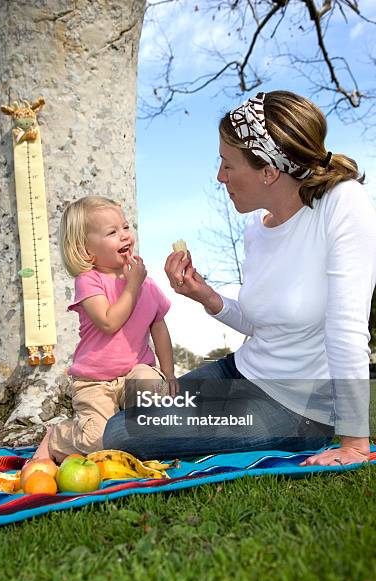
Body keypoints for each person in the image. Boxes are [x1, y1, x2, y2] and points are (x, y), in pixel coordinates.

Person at [103, 91, 376, 466]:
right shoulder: (255, 228)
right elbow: (258, 322)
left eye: (227, 165)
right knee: (139, 400)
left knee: (122, 432)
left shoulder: (343, 204)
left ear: (269, 170)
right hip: (240, 372)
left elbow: (347, 328)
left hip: (296, 407)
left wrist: (355, 444)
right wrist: (205, 296)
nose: (219, 176)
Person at [34, 196, 176, 463]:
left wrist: (168, 374)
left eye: (125, 227)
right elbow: (108, 322)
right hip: (95, 381)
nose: (124, 236)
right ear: (87, 251)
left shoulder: (147, 285)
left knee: (153, 387)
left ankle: (142, 445)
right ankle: (58, 436)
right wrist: (132, 286)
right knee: (98, 441)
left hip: (135, 373)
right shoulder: (89, 281)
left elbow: (159, 326)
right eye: (112, 232)